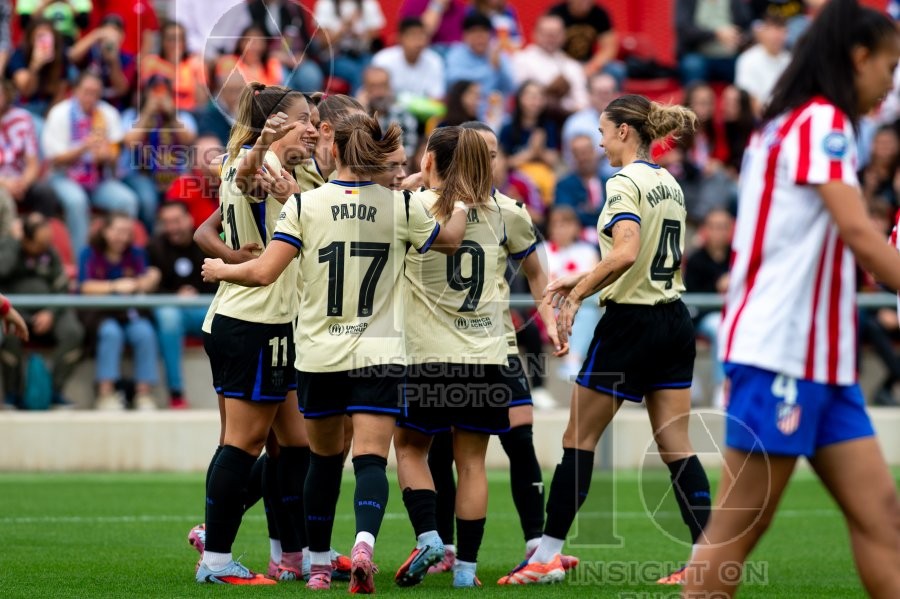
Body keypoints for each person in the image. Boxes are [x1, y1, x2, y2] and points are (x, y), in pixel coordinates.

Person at [201, 114, 469, 593]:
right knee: (369, 459)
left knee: (321, 461)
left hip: (320, 355)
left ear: (338, 152)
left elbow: (264, 272)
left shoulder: (304, 204)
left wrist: (221, 269)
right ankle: (364, 541)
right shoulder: (400, 204)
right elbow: (449, 242)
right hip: (380, 351)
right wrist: (460, 196)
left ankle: (319, 566)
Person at [685, 1, 900, 596]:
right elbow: (859, 233)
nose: (891, 81)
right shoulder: (820, 122)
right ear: (858, 58)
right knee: (736, 532)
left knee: (885, 519)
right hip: (781, 351)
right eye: (889, 65)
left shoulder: (797, 122)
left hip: (822, 364)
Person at [498, 95, 710, 586]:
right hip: (673, 317)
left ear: (623, 133)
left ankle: (546, 556)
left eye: (603, 129)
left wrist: (578, 286)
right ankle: (704, 558)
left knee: (578, 439)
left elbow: (627, 251)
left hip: (631, 322)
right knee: (676, 443)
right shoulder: (668, 182)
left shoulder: (623, 182)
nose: (598, 139)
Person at [424, 120, 565, 575]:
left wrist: (550, 321)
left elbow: (538, 273)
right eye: (481, 151)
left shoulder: (510, 211)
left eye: (494, 151)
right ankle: (448, 549)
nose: (489, 159)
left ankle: (535, 546)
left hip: (497, 347)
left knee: (518, 439)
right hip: (456, 348)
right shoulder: (430, 207)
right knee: (444, 451)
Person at [190, 83, 315, 586]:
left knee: (295, 444)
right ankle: (216, 559)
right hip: (252, 320)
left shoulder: (290, 167)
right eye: (303, 117)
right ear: (277, 122)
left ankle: (291, 553)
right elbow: (247, 178)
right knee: (242, 444)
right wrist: (263, 145)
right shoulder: (258, 162)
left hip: (270, 321)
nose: (312, 125)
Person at [391, 126, 506, 590]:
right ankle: (467, 572)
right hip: (486, 355)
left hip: (429, 355)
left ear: (432, 161)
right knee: (473, 463)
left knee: (410, 448)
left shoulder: (411, 208)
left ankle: (430, 535)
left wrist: (415, 184)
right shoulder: (502, 211)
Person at [42, 71, 138, 259]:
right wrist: (84, 147)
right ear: (75, 91)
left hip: (98, 179)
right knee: (77, 202)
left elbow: (115, 152)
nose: (91, 97)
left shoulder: (107, 113)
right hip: (64, 177)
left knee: (127, 200)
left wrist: (106, 155)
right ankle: (82, 262)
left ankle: (121, 259)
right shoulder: (59, 113)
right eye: (86, 91)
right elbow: (55, 158)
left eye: (95, 93)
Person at [78, 213, 161, 411]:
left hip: (130, 313)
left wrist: (148, 280)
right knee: (110, 333)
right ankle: (106, 393)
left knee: (145, 333)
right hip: (100, 314)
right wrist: (115, 286)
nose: (122, 237)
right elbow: (85, 286)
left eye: (126, 232)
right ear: (105, 231)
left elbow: (145, 280)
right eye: (117, 231)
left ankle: (144, 394)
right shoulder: (89, 253)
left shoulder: (136, 253)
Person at [0, 213, 84, 409]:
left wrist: (51, 313)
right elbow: (2, 271)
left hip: (48, 310)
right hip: (14, 311)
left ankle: (54, 391)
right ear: (26, 239)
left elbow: (62, 287)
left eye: (47, 241)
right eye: (39, 243)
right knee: (8, 335)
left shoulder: (50, 252)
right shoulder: (10, 247)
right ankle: (13, 395)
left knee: (73, 332)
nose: (44, 247)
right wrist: (14, 243)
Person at [148, 201, 216, 410]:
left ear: (189, 220)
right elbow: (149, 286)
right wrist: (175, 296)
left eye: (176, 221)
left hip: (203, 308)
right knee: (168, 317)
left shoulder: (206, 241)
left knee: (224, 318)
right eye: (167, 222)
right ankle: (176, 393)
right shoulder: (155, 246)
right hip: (171, 310)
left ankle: (231, 387)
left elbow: (221, 280)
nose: (172, 228)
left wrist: (198, 295)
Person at [120, 75, 199, 231]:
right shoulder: (132, 115)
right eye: (154, 91)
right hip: (140, 174)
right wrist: (148, 112)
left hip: (175, 174)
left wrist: (171, 115)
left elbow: (188, 139)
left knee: (189, 193)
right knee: (148, 200)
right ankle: (151, 240)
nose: (159, 96)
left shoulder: (181, 116)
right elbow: (130, 141)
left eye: (163, 92)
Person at [539, 205, 601, 378]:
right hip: (551, 304)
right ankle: (573, 360)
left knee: (587, 309)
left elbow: (594, 282)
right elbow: (540, 284)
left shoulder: (588, 251)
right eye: (555, 224)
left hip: (581, 305)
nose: (560, 229)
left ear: (575, 227)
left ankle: (573, 359)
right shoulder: (541, 250)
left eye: (565, 224)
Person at [684, 208, 733, 407]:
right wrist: (717, 286)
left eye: (722, 227)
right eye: (713, 227)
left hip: (738, 317)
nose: (718, 232)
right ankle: (721, 387)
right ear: (706, 230)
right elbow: (691, 298)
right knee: (719, 327)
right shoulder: (696, 259)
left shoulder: (738, 257)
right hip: (705, 318)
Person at [0, 79, 60, 219]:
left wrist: (22, 184)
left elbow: (32, 164)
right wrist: (4, 184)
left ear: (7, 94)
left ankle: (35, 231)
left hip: (19, 179)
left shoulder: (22, 118)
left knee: (45, 193)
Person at [445, 13, 516, 120]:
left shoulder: (497, 54)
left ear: (490, 35)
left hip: (494, 115)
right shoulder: (456, 54)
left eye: (483, 32)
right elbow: (454, 81)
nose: (479, 37)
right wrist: (490, 69)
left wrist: (500, 67)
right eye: (474, 32)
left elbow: (511, 87)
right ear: (465, 35)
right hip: (464, 115)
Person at [512, 15, 588, 114]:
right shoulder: (521, 59)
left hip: (565, 119)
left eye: (555, 34)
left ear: (564, 36)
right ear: (535, 34)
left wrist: (561, 106)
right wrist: (546, 96)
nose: (551, 39)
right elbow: (518, 96)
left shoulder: (573, 66)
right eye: (546, 34)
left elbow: (582, 102)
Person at [313, 0, 386, 93]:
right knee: (359, 74)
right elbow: (324, 42)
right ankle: (359, 105)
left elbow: (375, 36)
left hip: (363, 53)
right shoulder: (325, 4)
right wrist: (345, 27)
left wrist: (357, 33)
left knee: (378, 69)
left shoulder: (368, 3)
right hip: (335, 57)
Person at [675, 0, 754, 84]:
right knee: (692, 65)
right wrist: (717, 34)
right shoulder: (687, 2)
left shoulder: (735, 2)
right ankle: (696, 95)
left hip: (731, 56)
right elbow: (684, 30)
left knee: (749, 64)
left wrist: (738, 39)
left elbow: (748, 27)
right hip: (698, 54)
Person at [66, 14, 135, 109]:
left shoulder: (127, 59)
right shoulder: (91, 51)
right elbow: (71, 56)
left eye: (114, 32)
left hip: (112, 107)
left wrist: (113, 61)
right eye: (106, 31)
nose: (109, 36)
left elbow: (122, 90)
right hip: (83, 103)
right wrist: (96, 35)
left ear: (122, 36)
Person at [547, 0, 625, 84]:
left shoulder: (600, 14)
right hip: (561, 62)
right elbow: (547, 44)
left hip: (588, 63)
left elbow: (609, 48)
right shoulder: (556, 13)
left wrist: (591, 68)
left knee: (617, 70)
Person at [5, 18, 70, 118]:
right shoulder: (19, 55)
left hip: (48, 110)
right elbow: (26, 92)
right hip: (22, 108)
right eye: (39, 37)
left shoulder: (60, 58)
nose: (43, 41)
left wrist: (50, 118)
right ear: (30, 39)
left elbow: (59, 94)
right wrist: (35, 65)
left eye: (47, 36)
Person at [139, 20, 207, 113]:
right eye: (170, 39)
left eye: (179, 39)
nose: (175, 44)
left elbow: (201, 102)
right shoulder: (152, 62)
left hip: (187, 113)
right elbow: (144, 92)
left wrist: (196, 73)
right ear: (162, 41)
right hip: (156, 111)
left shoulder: (193, 64)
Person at [371, 17, 446, 101]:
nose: (418, 42)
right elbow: (372, 93)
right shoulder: (383, 60)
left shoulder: (435, 61)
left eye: (422, 36)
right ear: (400, 38)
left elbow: (437, 98)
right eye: (413, 36)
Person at [735, 13, 791, 117]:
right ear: (762, 33)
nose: (777, 36)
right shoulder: (748, 59)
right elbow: (749, 98)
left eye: (781, 30)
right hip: (760, 119)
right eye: (772, 30)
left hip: (787, 116)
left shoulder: (790, 60)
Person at [555, 134, 605, 229]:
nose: (584, 158)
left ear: (595, 152)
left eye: (587, 152)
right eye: (578, 153)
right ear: (572, 157)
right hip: (577, 240)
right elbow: (566, 216)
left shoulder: (610, 181)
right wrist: (600, 212)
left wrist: (582, 211)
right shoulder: (564, 185)